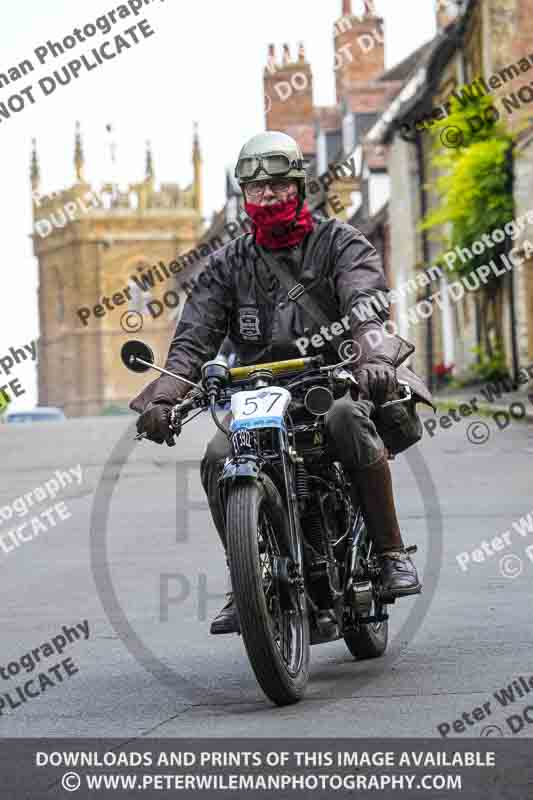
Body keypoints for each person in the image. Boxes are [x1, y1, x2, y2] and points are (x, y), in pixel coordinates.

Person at [131, 131, 430, 636]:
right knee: (217, 455)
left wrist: (373, 354)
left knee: (347, 421)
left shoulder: (339, 242)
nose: (266, 197)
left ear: (298, 186)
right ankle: (246, 580)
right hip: (258, 394)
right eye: (256, 189)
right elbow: (192, 341)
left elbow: (365, 302)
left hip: (331, 381)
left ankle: (390, 552)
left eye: (276, 186)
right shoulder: (226, 266)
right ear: (244, 197)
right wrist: (164, 397)